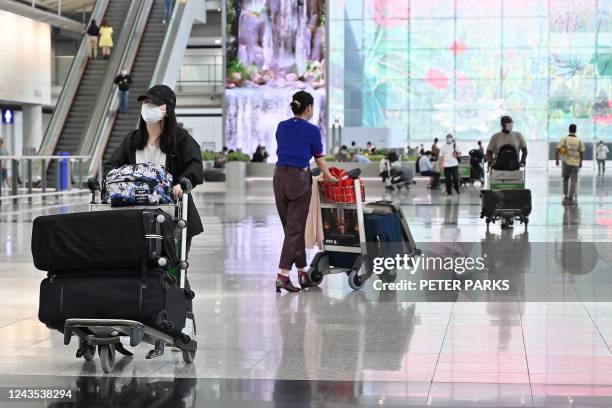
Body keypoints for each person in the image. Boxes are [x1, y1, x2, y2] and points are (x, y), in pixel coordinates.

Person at [105, 84, 204, 254]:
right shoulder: (132, 140)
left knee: (173, 271)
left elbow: (195, 165)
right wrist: (110, 182)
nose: (147, 107)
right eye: (146, 103)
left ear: (167, 110)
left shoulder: (181, 140)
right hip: (135, 216)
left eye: (154, 104)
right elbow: (112, 166)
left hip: (173, 215)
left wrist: (182, 184)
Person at [273, 90, 337, 293]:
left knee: (292, 228)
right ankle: (283, 275)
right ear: (309, 108)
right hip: (298, 180)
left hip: (279, 178)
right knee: (294, 229)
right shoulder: (312, 130)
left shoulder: (281, 126)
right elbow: (319, 158)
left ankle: (302, 273)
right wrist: (328, 175)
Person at [556, 124, 585, 206]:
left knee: (565, 179)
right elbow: (581, 152)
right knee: (573, 181)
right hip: (575, 164)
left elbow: (557, 149)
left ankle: (565, 195)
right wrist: (580, 162)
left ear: (569, 130)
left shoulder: (564, 139)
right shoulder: (579, 140)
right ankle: (570, 198)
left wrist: (557, 160)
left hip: (565, 163)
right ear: (575, 130)